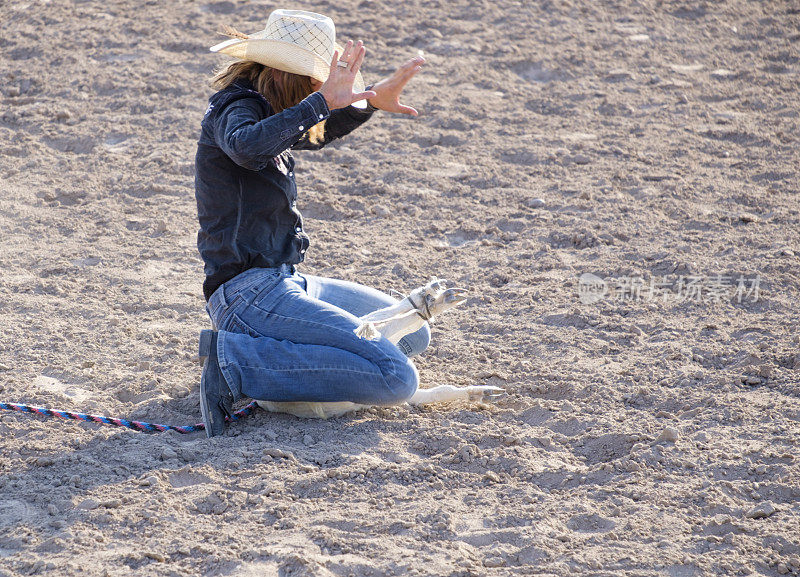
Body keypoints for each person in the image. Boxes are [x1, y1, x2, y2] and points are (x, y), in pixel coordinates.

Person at [194, 9, 441, 437]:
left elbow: (310, 131)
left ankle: (261, 353)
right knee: (396, 379)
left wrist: (366, 101)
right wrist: (323, 101)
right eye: (316, 82)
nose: (320, 89)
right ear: (294, 77)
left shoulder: (270, 108)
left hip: (285, 282)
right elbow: (246, 147)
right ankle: (233, 361)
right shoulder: (237, 108)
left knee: (414, 337)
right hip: (246, 296)